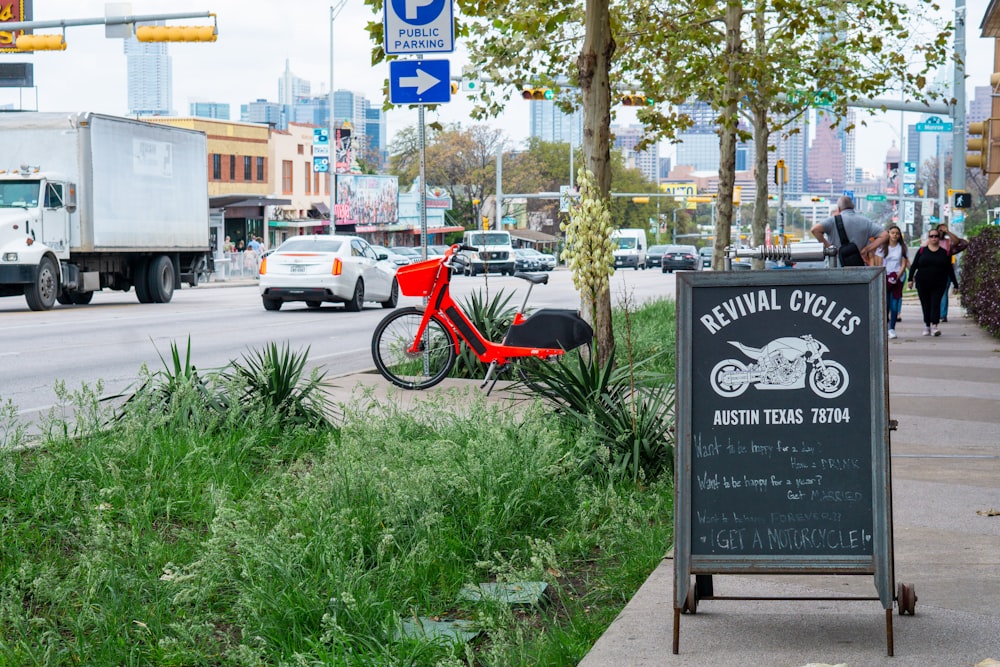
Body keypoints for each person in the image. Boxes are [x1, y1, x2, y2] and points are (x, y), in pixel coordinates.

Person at [810, 195, 888, 265]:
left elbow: (815, 229)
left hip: (835, 266)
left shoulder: (832, 221)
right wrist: (866, 249)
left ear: (839, 209)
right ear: (853, 206)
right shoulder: (866, 222)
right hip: (858, 266)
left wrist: (830, 248)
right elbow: (885, 235)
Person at [908, 229, 958, 337]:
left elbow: (950, 269)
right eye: (931, 236)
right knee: (925, 304)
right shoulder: (922, 251)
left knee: (935, 303)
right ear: (928, 238)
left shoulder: (944, 253)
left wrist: (955, 284)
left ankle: (934, 325)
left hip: (939, 283)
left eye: (936, 236)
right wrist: (910, 279)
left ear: (939, 238)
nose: (934, 238)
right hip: (923, 282)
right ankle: (927, 325)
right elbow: (914, 266)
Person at [875, 224, 909, 339]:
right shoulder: (882, 248)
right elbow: (878, 263)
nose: (895, 235)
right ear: (888, 234)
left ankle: (892, 328)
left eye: (897, 233)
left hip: (897, 278)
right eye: (893, 233)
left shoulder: (902, 248)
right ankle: (884, 327)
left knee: (894, 304)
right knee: (885, 305)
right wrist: (884, 276)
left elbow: (904, 263)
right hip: (885, 277)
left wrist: (897, 276)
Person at [934, 223, 968, 323]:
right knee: (934, 293)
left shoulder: (948, 243)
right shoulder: (931, 242)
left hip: (946, 271)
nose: (941, 232)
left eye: (943, 231)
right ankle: (934, 313)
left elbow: (962, 243)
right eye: (939, 230)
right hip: (933, 271)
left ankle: (942, 315)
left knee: (943, 293)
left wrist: (948, 231)